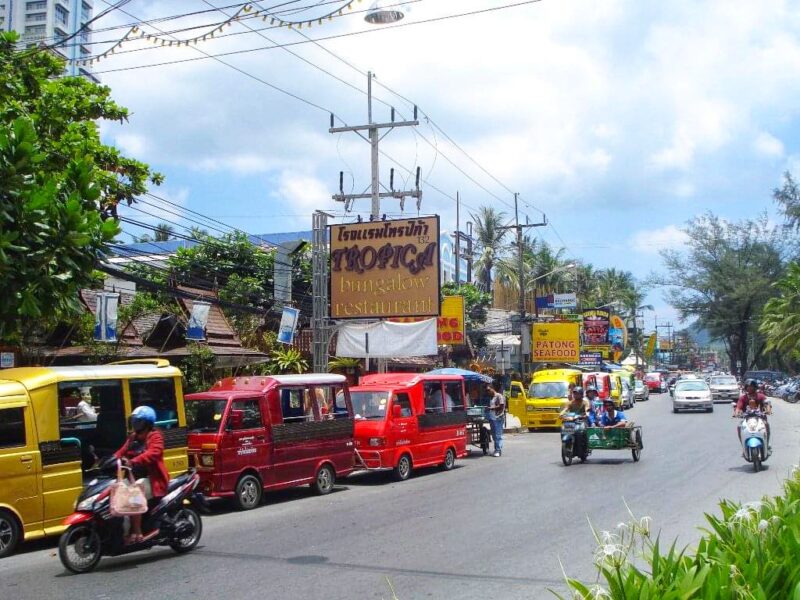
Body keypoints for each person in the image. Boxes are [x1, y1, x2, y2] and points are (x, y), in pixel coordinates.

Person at [114, 406, 169, 544]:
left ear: (147, 424)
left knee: (134, 493)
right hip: (134, 477)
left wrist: (134, 461)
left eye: (138, 422)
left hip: (154, 480)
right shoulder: (133, 437)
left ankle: (137, 531)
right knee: (115, 489)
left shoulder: (155, 436)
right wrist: (109, 461)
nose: (135, 424)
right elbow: (121, 452)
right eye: (134, 421)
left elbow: (153, 453)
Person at [734, 378, 772, 447]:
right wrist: (736, 413)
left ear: (755, 387)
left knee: (766, 425)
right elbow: (738, 407)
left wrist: (768, 410)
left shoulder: (761, 396)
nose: (749, 388)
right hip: (747, 418)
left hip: (760, 417)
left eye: (751, 386)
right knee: (739, 426)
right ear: (745, 387)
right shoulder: (743, 398)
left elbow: (767, 404)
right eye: (748, 386)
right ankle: (743, 445)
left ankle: (767, 443)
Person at [487, 386, 505, 457]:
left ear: (492, 388)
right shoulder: (491, 398)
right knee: (494, 436)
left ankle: (498, 450)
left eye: (489, 390)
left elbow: (501, 406)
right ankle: (496, 449)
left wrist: (491, 408)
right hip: (492, 418)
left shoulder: (499, 396)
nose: (488, 392)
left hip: (498, 418)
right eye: (487, 391)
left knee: (498, 435)